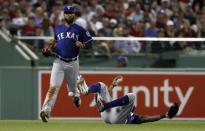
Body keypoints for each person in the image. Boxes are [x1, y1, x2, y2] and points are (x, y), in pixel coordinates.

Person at [40, 5, 93, 123]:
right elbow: (54, 42)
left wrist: (83, 45)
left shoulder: (80, 29)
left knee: (73, 90)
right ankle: (45, 111)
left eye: (71, 13)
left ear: (74, 15)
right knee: (53, 87)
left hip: (73, 63)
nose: (69, 15)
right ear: (63, 15)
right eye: (67, 13)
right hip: (58, 61)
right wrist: (48, 48)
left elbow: (90, 43)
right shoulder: (58, 28)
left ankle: (76, 97)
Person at [77, 75, 179, 124]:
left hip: (113, 118)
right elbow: (107, 94)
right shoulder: (125, 110)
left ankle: (101, 104)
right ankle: (86, 90)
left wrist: (164, 116)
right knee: (102, 86)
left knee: (132, 96)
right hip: (107, 112)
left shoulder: (133, 118)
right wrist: (113, 85)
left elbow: (146, 118)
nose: (131, 108)